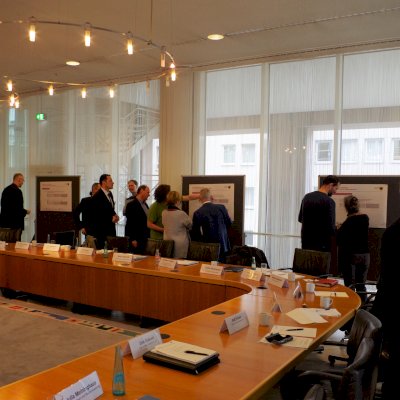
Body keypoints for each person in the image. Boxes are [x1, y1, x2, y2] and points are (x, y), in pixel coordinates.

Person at [336, 195, 370, 294]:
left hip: (350, 256)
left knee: (349, 286)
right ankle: (362, 303)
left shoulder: (347, 223)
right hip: (364, 255)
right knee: (361, 285)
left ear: (346, 207)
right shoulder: (365, 218)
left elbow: (339, 240)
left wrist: (339, 229)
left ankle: (351, 303)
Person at [298, 175, 340, 252]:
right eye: (336, 188)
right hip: (322, 246)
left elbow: (300, 219)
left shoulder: (306, 197)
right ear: (331, 185)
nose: (335, 192)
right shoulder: (329, 202)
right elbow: (331, 228)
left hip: (306, 243)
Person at [191, 187, 232, 262]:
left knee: (209, 267)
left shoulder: (198, 212)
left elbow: (196, 233)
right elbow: (229, 223)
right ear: (211, 197)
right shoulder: (221, 208)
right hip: (223, 243)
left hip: (208, 246)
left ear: (200, 199)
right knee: (222, 266)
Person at [87, 174, 119, 249]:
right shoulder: (97, 197)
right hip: (102, 234)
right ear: (104, 182)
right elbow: (95, 217)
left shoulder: (110, 194)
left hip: (111, 231)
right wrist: (110, 219)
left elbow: (110, 210)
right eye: (110, 181)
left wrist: (115, 215)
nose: (113, 182)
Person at [162, 191, 192, 258]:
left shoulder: (163, 212)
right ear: (177, 201)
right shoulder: (181, 214)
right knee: (180, 263)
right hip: (179, 245)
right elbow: (190, 225)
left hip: (167, 243)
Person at [125, 185, 150, 254]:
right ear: (141, 191)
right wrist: (133, 239)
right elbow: (130, 223)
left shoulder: (145, 204)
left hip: (144, 237)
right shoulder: (131, 205)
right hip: (136, 238)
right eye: (148, 192)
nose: (149, 195)